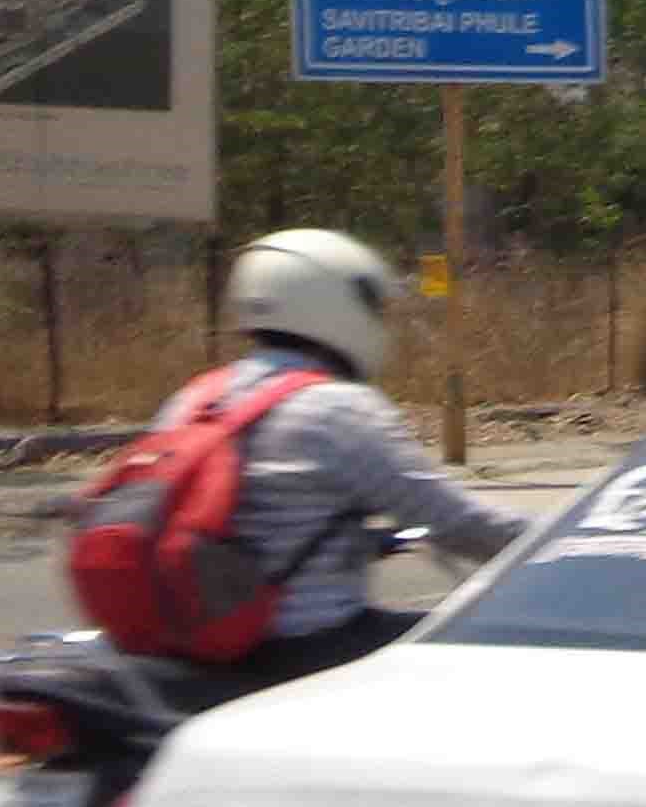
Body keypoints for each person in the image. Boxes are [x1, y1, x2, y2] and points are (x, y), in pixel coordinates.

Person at [145, 228, 532, 690]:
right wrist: (565, 542)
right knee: (484, 660)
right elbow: (458, 521)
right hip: (306, 644)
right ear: (336, 304)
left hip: (200, 642)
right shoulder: (336, 409)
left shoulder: (193, 397)